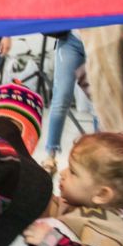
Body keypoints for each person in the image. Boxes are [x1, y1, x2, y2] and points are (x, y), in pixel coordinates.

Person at [41, 31, 87, 175]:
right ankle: (50, 155)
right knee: (61, 97)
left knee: (98, 103)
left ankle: (98, 159)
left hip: (100, 39)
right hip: (71, 40)